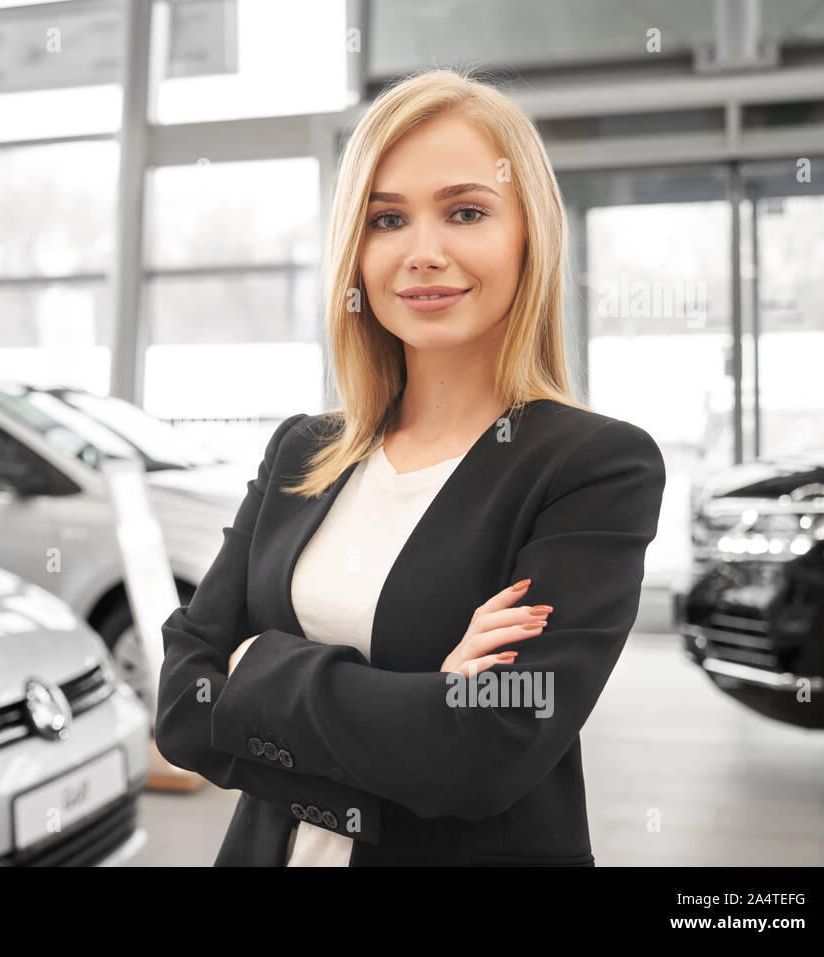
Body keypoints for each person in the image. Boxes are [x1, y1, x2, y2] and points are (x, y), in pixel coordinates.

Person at [155, 67, 666, 866]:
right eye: (387, 218)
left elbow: (486, 750)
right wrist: (423, 698)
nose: (423, 253)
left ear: (529, 232)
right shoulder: (303, 451)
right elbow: (184, 705)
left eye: (466, 211)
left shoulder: (592, 467)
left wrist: (257, 668)